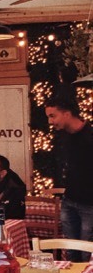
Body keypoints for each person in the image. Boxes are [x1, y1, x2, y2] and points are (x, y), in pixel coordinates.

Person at [45, 95, 93, 259]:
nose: (50, 121)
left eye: (53, 116)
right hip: (69, 200)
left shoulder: (89, 136)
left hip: (90, 204)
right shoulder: (62, 136)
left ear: (66, 114)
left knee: (87, 252)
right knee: (70, 251)